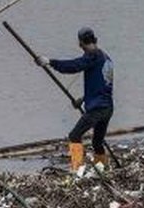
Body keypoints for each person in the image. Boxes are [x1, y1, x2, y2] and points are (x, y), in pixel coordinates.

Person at [37, 27, 114, 172]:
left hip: (97, 109)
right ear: (95, 39)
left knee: (74, 136)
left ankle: (77, 168)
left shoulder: (92, 55)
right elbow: (103, 85)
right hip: (107, 108)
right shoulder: (105, 57)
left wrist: (50, 62)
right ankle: (103, 168)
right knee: (97, 142)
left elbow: (74, 66)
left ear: (81, 43)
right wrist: (83, 99)